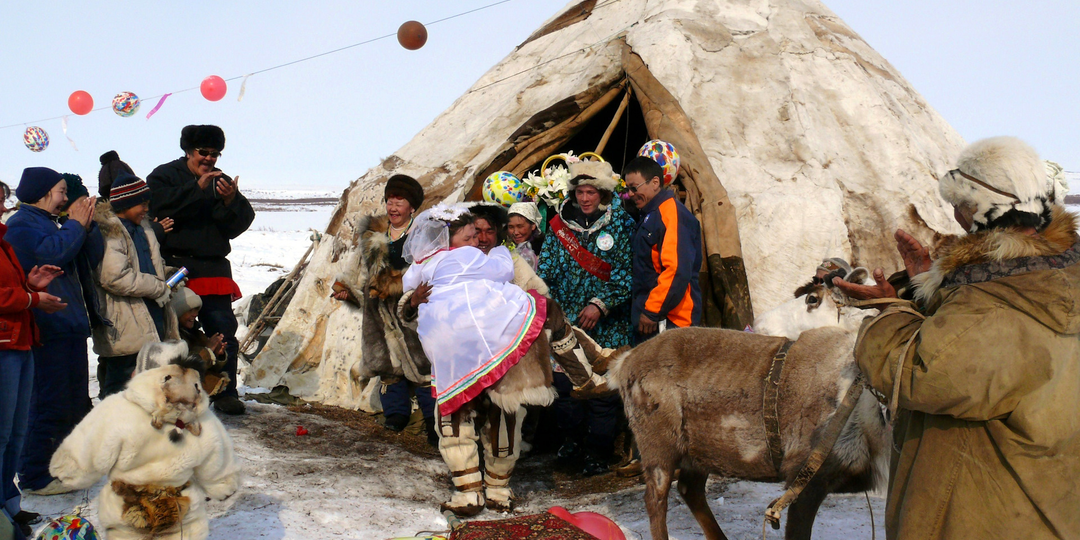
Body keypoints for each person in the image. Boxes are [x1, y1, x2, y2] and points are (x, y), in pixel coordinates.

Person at [836, 137, 1079, 539]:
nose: (956, 215)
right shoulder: (1051, 272)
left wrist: (889, 312)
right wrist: (924, 287)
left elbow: (919, 376)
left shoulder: (994, 305)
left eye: (961, 205)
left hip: (988, 511)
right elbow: (978, 357)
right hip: (1048, 500)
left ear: (985, 208)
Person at [401, 204, 607, 515]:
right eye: (472, 234)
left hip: (500, 352)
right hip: (459, 354)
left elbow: (534, 288)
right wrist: (414, 301)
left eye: (485, 232)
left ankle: (498, 486)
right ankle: (468, 490)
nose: (479, 239)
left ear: (497, 233)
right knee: (456, 418)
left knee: (504, 417)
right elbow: (407, 305)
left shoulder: (499, 258)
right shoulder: (455, 261)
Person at [49, 362, 240, 540]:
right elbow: (218, 459)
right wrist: (222, 483)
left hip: (125, 510)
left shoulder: (117, 408)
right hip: (180, 513)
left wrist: (70, 468)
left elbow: (85, 448)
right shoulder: (200, 417)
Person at [147, 125, 255, 415]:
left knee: (223, 330)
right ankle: (173, 392)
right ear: (188, 151)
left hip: (212, 265)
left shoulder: (221, 181)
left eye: (215, 154)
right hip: (177, 266)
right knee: (175, 332)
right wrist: (195, 189)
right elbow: (158, 204)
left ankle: (226, 390)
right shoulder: (164, 176)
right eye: (203, 153)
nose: (209, 159)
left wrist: (232, 199)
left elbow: (236, 225)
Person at [5, 167, 98, 497]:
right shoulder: (21, 225)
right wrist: (76, 224)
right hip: (48, 329)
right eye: (60, 191)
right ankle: (34, 474)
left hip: (67, 326)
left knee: (73, 402)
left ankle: (61, 465)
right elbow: (53, 253)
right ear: (44, 193)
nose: (64, 199)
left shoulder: (46, 223)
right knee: (48, 403)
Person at [538, 159, 633, 477]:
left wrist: (600, 304)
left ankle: (599, 451)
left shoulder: (621, 223)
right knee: (566, 389)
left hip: (607, 325)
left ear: (602, 192)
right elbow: (545, 270)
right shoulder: (558, 225)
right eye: (580, 191)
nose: (585, 198)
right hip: (566, 324)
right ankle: (572, 441)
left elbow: (628, 273)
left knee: (603, 394)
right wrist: (550, 307)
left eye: (591, 191)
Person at [332, 174, 437, 442]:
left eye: (399, 201)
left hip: (410, 306)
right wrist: (347, 289)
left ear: (411, 207)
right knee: (388, 365)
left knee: (423, 365)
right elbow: (357, 269)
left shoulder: (423, 235)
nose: (392, 207)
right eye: (389, 201)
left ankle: (434, 421)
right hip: (378, 310)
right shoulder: (373, 234)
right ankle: (396, 414)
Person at [0, 179, 66, 537]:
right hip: (3, 345)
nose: (0, 206)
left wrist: (31, 286)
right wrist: (30, 300)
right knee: (0, 433)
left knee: (14, 432)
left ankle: (9, 505)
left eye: (1, 198)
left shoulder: (2, 240)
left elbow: (8, 289)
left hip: (19, 340)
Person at [90, 173, 180, 397]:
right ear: (126, 203)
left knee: (148, 386)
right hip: (124, 324)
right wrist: (158, 285)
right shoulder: (110, 231)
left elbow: (147, 265)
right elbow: (114, 277)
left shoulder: (144, 229)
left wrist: (168, 274)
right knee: (120, 387)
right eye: (141, 204)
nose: (145, 209)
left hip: (150, 318)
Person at [624, 155, 702, 338]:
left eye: (634, 188)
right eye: (628, 189)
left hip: (672, 321)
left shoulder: (672, 214)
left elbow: (676, 270)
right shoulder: (650, 214)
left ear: (655, 182)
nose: (631, 194)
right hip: (654, 318)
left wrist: (652, 311)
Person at [170, 287, 229, 396]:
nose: (195, 314)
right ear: (178, 312)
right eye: (190, 310)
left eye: (196, 310)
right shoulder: (172, 338)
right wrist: (207, 351)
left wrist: (216, 354)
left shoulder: (197, 334)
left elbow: (208, 368)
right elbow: (185, 368)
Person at [507, 202, 544, 269]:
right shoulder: (505, 248)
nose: (515, 232)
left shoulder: (543, 253)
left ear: (533, 225)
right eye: (511, 227)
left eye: (520, 226)